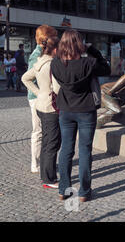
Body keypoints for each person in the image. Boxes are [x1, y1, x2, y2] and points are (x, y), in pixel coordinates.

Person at [51, 29, 111, 202]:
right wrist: (91, 49)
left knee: (66, 150)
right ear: (80, 44)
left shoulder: (55, 64)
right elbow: (106, 68)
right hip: (86, 110)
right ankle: (84, 192)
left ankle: (64, 190)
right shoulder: (89, 63)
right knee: (85, 151)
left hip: (66, 111)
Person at [22, 36, 61, 189]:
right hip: (51, 107)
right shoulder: (52, 64)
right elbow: (57, 89)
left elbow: (25, 78)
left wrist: (39, 93)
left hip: (41, 105)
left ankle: (45, 174)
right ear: (56, 49)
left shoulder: (39, 62)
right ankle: (49, 179)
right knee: (52, 143)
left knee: (46, 141)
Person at [26, 25, 58, 174]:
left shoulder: (42, 52)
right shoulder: (37, 54)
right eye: (53, 36)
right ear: (47, 38)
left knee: (43, 131)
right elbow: (29, 77)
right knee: (38, 131)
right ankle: (36, 163)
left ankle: (43, 162)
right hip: (38, 99)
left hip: (42, 98)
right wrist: (39, 93)